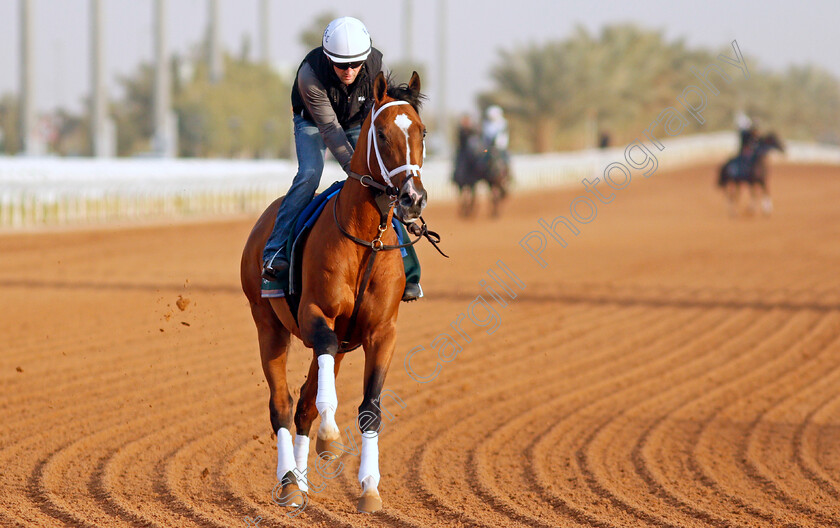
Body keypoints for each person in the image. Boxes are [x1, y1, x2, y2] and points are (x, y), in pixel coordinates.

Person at [262, 16, 422, 301]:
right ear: (328, 57)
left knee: (385, 184)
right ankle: (274, 251)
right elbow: (331, 131)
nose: (348, 71)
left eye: (354, 64)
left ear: (365, 58)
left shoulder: (376, 66)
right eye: (340, 64)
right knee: (310, 173)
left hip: (356, 121)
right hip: (313, 122)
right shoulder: (309, 76)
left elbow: (382, 111)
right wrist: (358, 172)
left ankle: (408, 266)